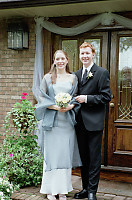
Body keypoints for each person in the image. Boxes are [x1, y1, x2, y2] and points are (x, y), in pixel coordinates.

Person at [35, 50, 82, 200]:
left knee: (64, 155)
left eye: (63, 58)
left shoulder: (73, 78)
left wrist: (70, 106)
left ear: (67, 60)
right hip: (52, 123)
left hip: (66, 123)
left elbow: (75, 97)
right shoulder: (48, 78)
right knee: (52, 155)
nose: (60, 61)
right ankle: (50, 190)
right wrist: (55, 106)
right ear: (54, 61)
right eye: (57, 59)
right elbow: (41, 97)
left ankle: (62, 190)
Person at [74, 42, 111, 200]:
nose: (84, 56)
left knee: (94, 159)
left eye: (87, 53)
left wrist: (87, 98)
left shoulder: (102, 73)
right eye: (82, 54)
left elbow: (106, 96)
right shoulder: (76, 74)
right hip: (79, 123)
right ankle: (84, 188)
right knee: (83, 158)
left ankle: (92, 192)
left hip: (94, 123)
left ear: (93, 54)